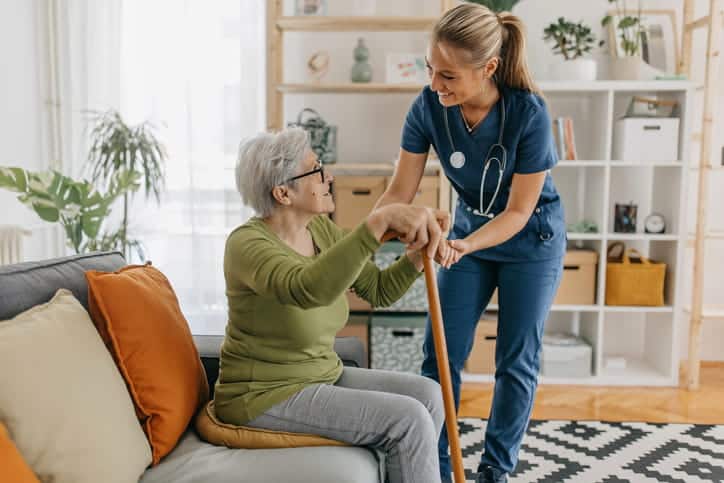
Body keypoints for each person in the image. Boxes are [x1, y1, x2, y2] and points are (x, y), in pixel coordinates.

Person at [375, 4, 566, 483]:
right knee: (438, 355)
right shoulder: (427, 108)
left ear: (488, 69)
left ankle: (494, 472)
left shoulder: (529, 113)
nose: (435, 84)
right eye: (429, 70)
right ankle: (437, 466)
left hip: (531, 238)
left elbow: (518, 212)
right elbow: (399, 193)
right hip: (464, 240)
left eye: (448, 75)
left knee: (515, 360)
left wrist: (465, 245)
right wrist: (364, 238)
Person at [214, 127, 449, 483]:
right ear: (283, 192)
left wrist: (418, 256)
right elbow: (307, 289)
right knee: (408, 420)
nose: (329, 177)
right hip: (264, 394)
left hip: (320, 375)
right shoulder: (246, 245)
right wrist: (377, 223)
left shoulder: (319, 230)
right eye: (316, 171)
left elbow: (379, 289)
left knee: (429, 395)